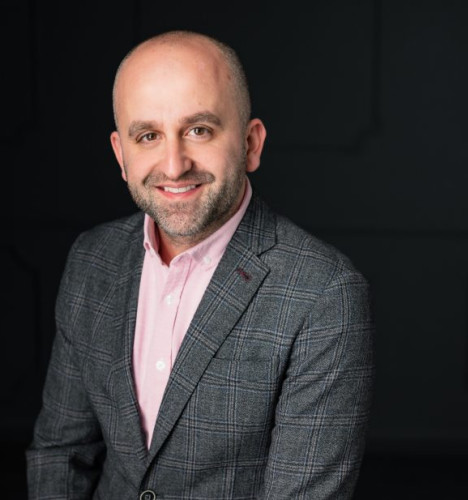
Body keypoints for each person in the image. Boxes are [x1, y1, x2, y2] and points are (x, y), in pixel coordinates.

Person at [27, 30, 374, 499]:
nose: (174, 166)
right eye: (148, 136)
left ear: (251, 144)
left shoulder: (324, 294)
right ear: (121, 156)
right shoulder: (92, 259)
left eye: (199, 130)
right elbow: (60, 453)